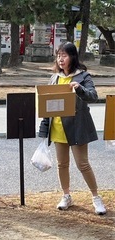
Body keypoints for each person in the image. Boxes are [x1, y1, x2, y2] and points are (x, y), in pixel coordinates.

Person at [38, 42, 106, 215]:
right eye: (59, 55)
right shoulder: (55, 78)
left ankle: (96, 197)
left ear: (72, 57)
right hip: (58, 127)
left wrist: (79, 88)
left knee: (82, 164)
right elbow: (47, 104)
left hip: (77, 127)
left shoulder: (83, 76)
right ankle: (66, 195)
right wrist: (44, 128)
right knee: (62, 164)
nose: (61, 59)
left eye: (64, 55)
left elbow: (93, 96)